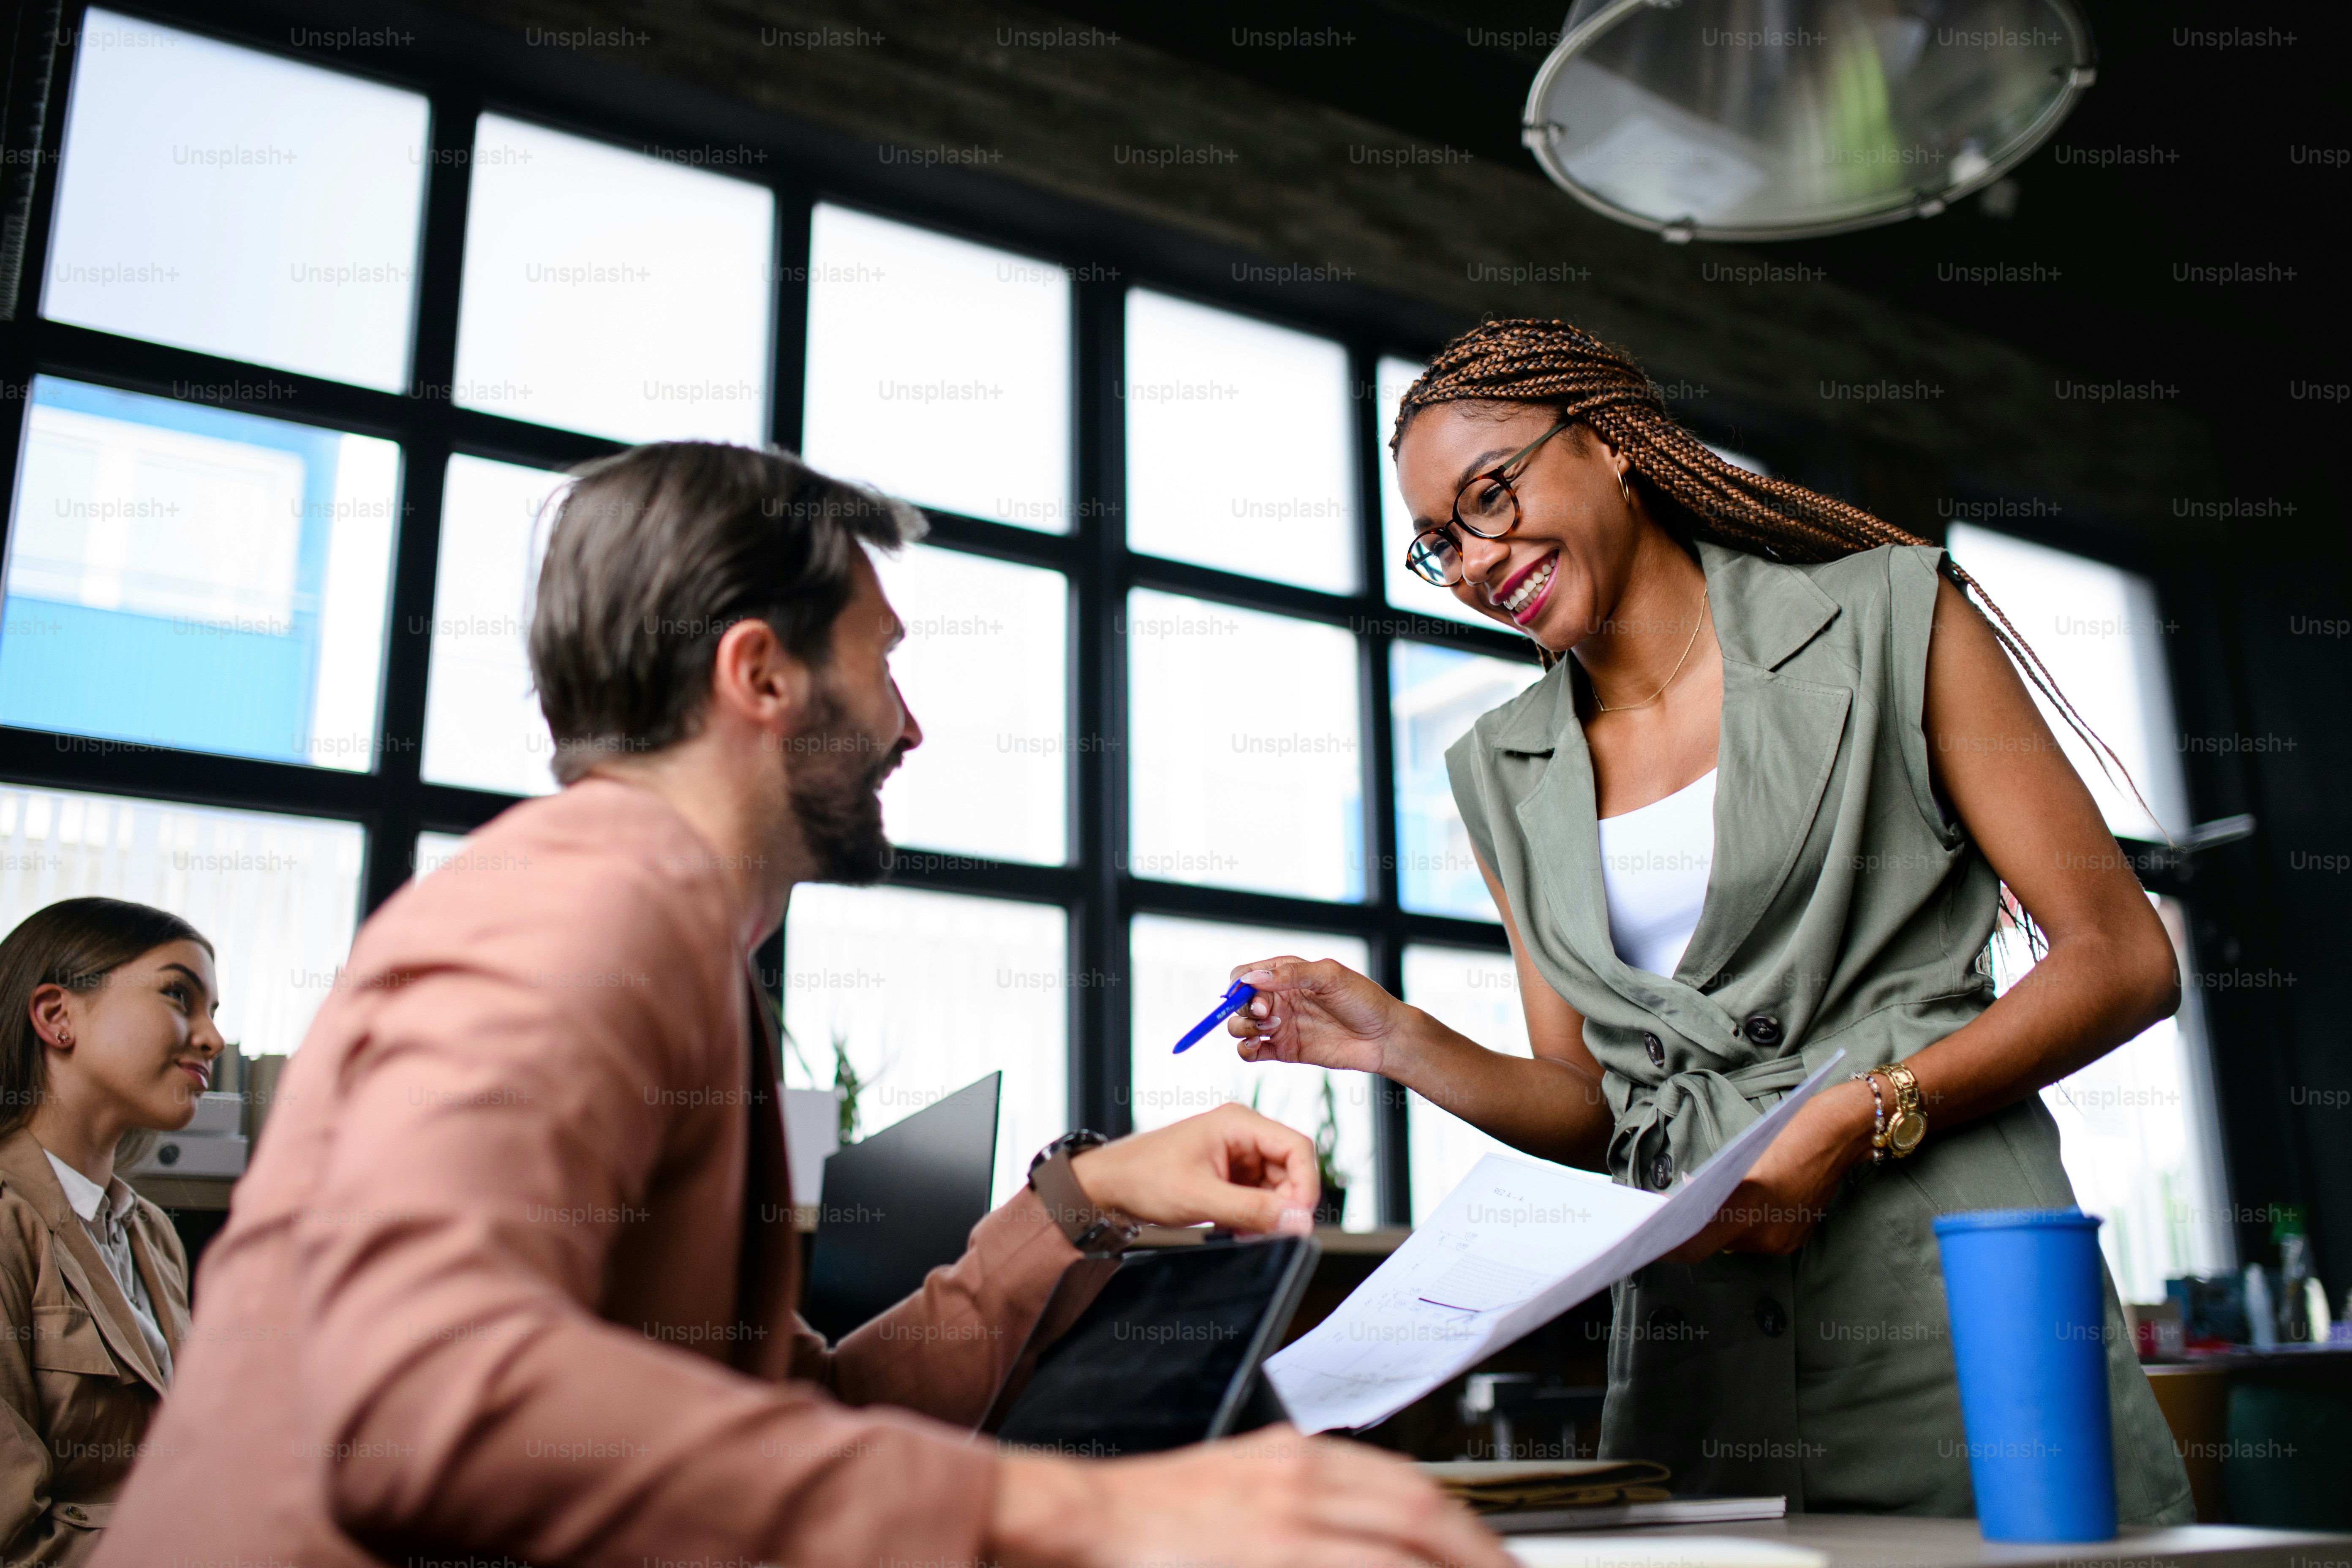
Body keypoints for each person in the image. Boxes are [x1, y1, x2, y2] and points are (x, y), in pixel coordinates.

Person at [95, 444, 1514, 1568]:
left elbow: (783, 1420)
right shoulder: (580, 897)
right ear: (760, 672)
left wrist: (1078, 1204)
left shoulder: (661, 932)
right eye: (882, 661)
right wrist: (1095, 1520)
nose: (908, 723)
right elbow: (404, 1384)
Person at [1225, 318, 2194, 1522]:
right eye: (1437, 544)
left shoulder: (1891, 616)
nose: (1475, 559)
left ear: (1612, 446)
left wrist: (1872, 1111)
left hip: (1952, 1301)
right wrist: (1398, 1044)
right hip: (1701, 1349)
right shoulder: (1500, 768)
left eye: (1490, 494)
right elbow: (1592, 1109)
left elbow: (2124, 958)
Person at [0, 896, 225, 1564]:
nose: (212, 1038)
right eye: (179, 996)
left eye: (215, 1014)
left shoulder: (151, 1234)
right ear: (56, 1016)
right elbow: (13, 1540)